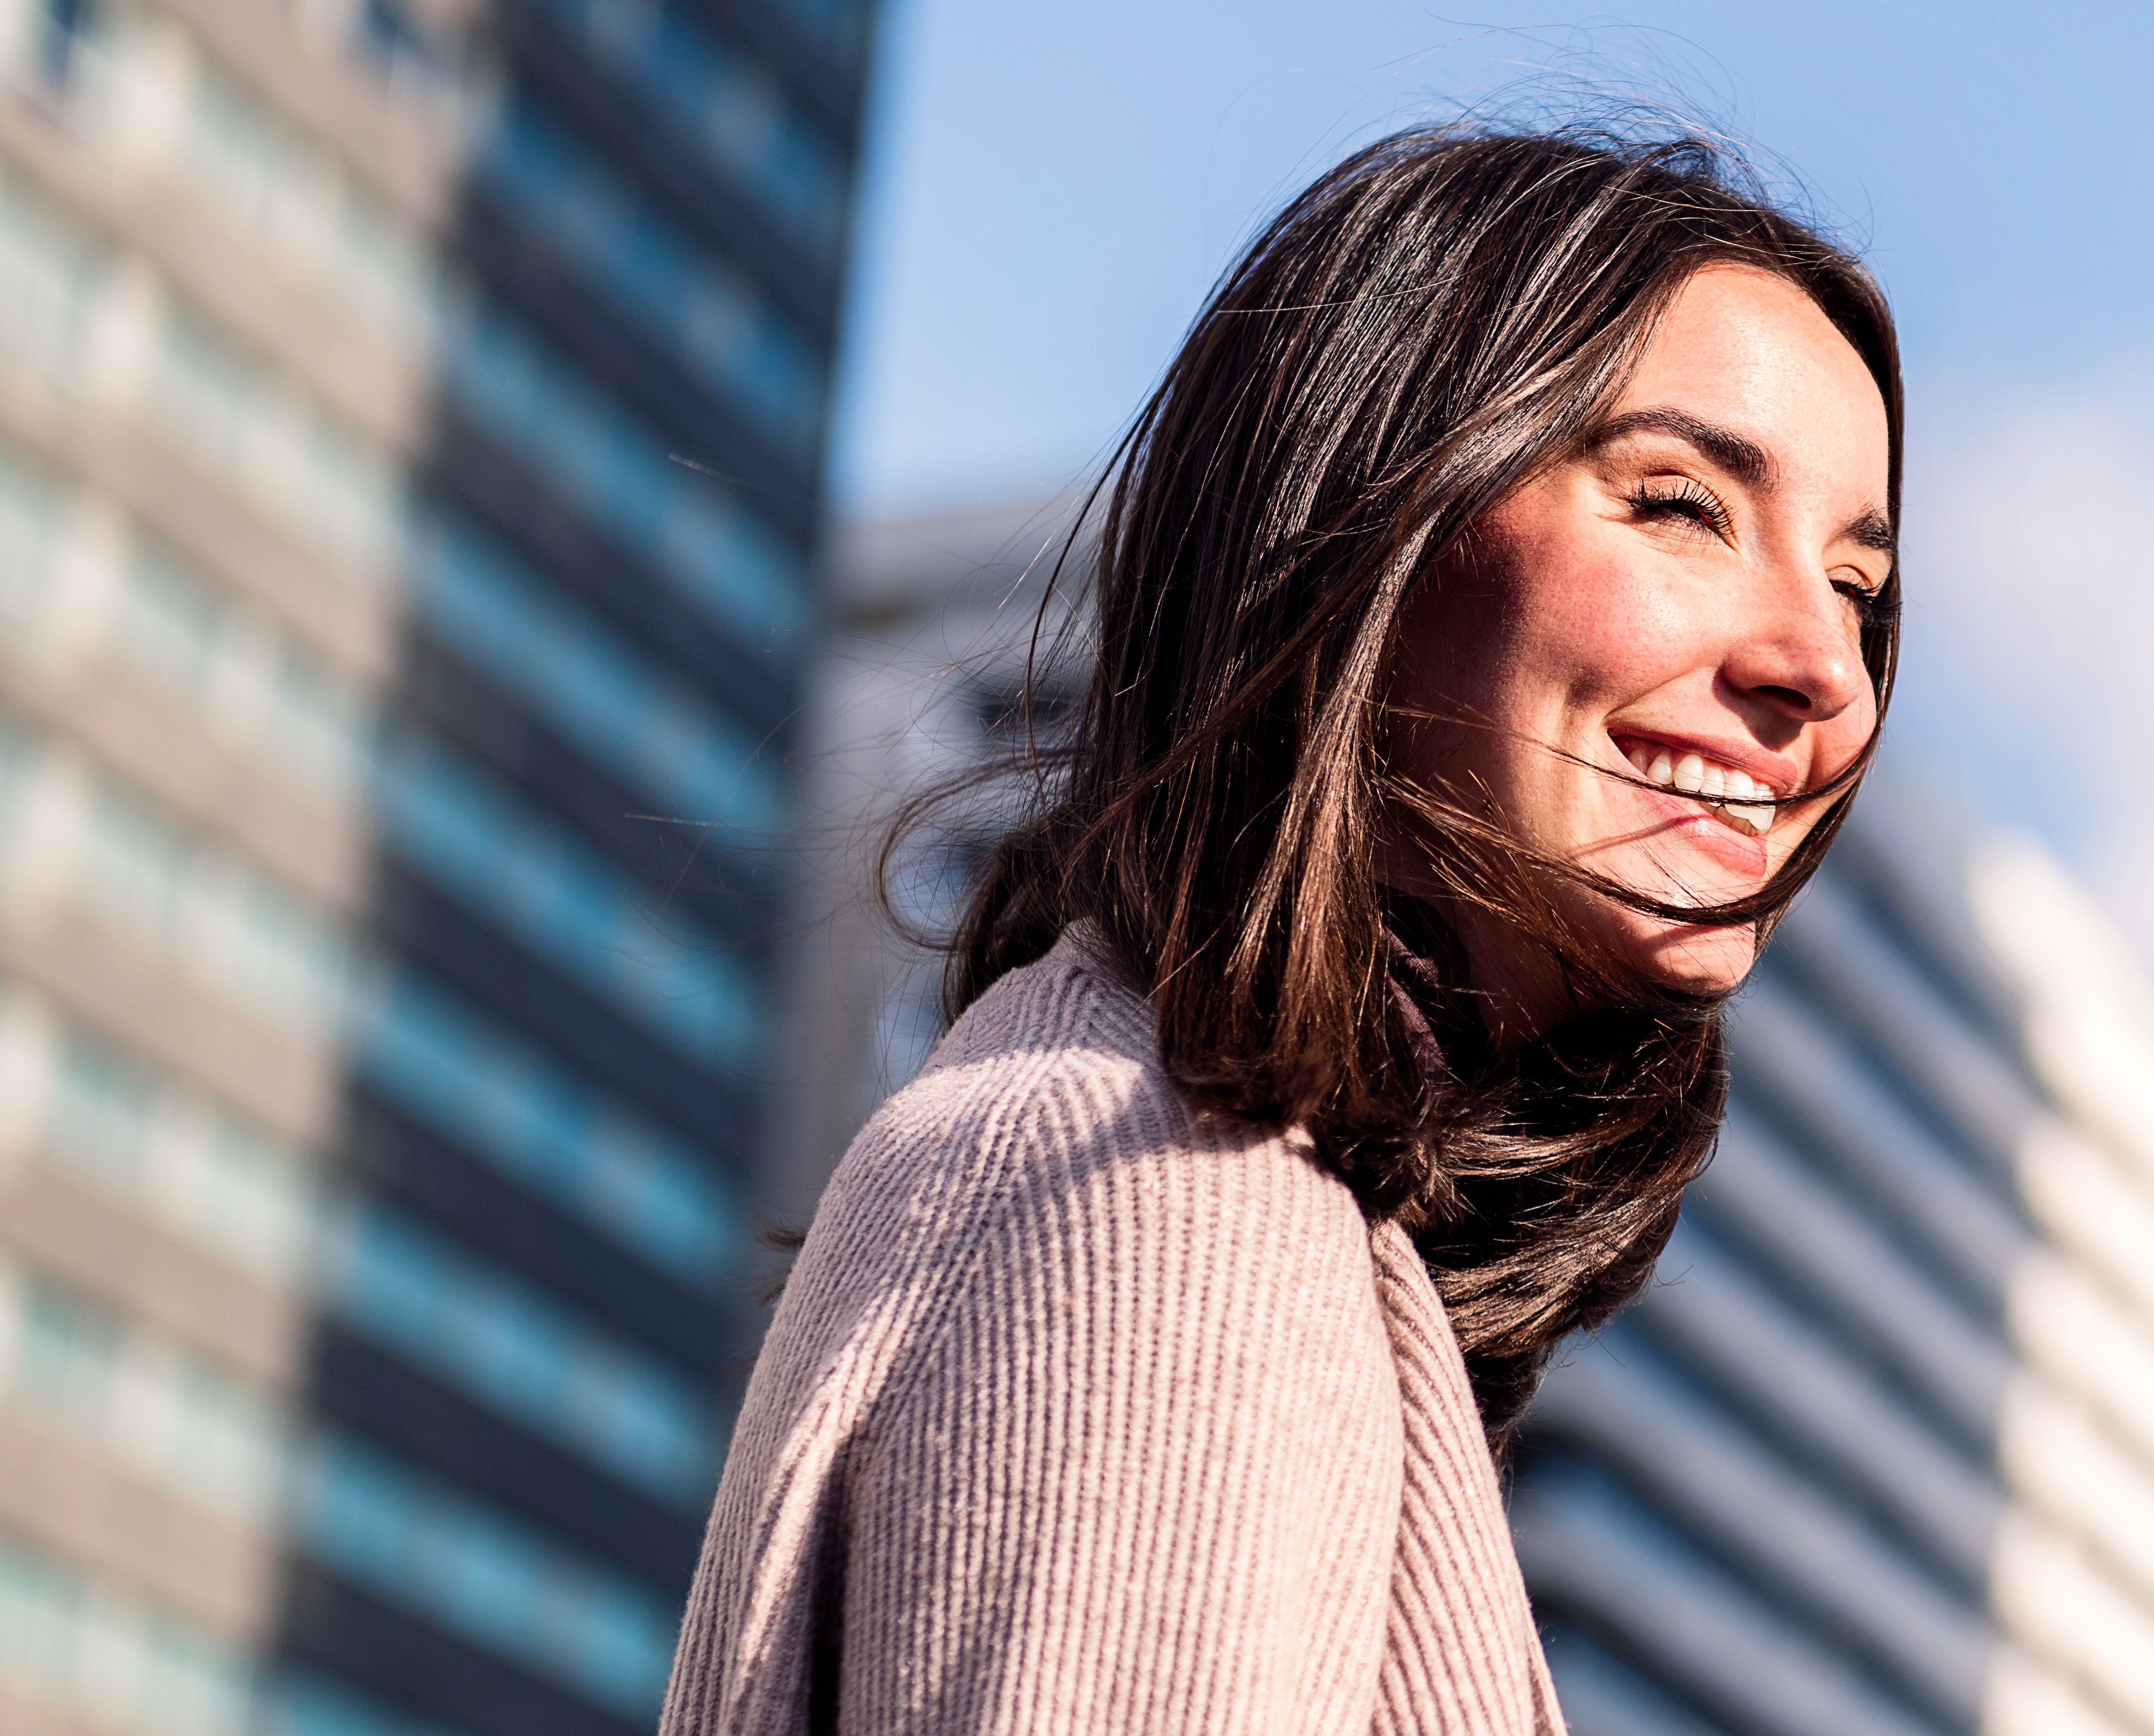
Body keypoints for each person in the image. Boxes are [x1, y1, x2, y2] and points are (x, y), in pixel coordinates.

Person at [661, 120, 1902, 1734]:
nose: (1826, 669)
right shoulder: (1170, 1215)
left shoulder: (1177, 1163)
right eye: (1678, 505)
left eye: (1863, 591)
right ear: (1373, 521)